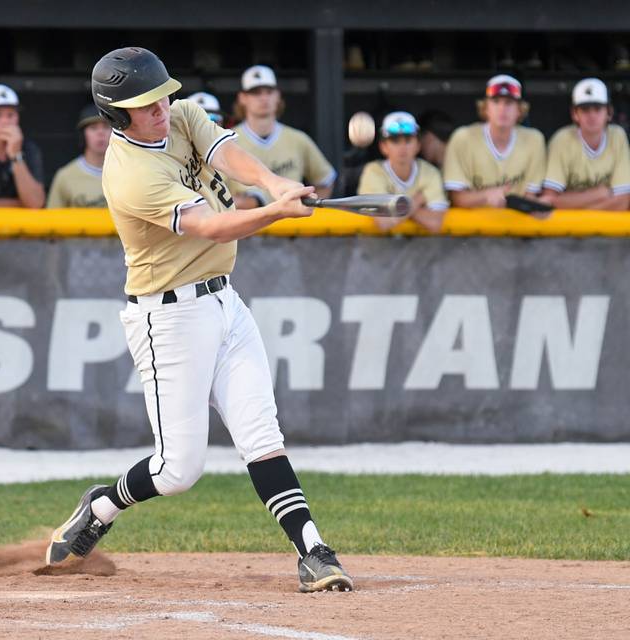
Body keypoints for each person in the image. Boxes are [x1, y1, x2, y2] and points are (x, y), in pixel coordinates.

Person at [45, 47, 353, 594]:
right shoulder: (130, 174)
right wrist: (278, 212)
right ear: (117, 114)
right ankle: (102, 504)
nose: (161, 107)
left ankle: (314, 552)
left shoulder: (180, 114)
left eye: (162, 94)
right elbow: (211, 227)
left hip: (224, 302)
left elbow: (231, 155)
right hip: (168, 319)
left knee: (262, 434)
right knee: (177, 470)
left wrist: (276, 185)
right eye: (146, 103)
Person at [228, 65, 336, 209]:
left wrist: (309, 212)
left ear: (278, 95)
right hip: (246, 227)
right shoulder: (227, 140)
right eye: (256, 93)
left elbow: (325, 180)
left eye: (269, 92)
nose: (263, 98)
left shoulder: (298, 139)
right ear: (242, 98)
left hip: (289, 228)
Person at [443, 75, 546, 208]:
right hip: (473, 225)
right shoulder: (463, 138)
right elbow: (457, 198)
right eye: (496, 101)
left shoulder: (534, 140)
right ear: (486, 108)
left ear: (520, 110)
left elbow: (530, 195)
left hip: (516, 223)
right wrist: (486, 195)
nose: (502, 109)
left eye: (509, 103)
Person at [541, 78, 630, 210]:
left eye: (598, 109)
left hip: (606, 227)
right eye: (585, 109)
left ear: (609, 113)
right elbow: (550, 199)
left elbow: (623, 202)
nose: (592, 115)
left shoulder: (618, 136)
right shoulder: (562, 139)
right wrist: (599, 194)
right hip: (568, 229)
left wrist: (573, 203)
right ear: (575, 114)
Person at [358, 111, 448, 233]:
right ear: (383, 146)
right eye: (395, 141)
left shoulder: (431, 173)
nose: (402, 147)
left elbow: (435, 223)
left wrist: (396, 210)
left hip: (422, 248)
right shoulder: (373, 172)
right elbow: (383, 223)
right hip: (377, 248)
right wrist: (416, 201)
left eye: (408, 140)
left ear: (418, 145)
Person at [47, 105, 110, 208]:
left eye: (106, 126)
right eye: (93, 128)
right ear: (82, 135)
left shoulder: (128, 173)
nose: (100, 133)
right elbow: (52, 220)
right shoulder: (65, 176)